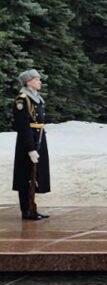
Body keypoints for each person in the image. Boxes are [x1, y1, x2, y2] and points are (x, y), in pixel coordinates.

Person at [12, 69, 50, 221]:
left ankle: (31, 207)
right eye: (36, 79)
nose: (39, 81)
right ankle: (26, 210)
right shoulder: (22, 99)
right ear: (28, 82)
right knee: (26, 175)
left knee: (34, 175)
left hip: (38, 138)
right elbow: (23, 126)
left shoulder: (36, 98)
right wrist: (30, 148)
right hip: (27, 141)